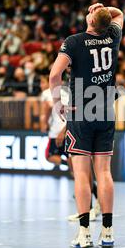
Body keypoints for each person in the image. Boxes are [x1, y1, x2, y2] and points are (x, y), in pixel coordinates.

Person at [49, 3, 123, 248]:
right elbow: (118, 14)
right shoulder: (112, 36)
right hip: (105, 111)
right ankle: (108, 231)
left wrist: (58, 102)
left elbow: (54, 75)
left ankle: (84, 233)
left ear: (91, 21)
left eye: (91, 13)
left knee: (81, 173)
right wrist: (103, 9)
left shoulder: (74, 41)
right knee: (104, 172)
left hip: (81, 112)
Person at [40, 76, 101, 222]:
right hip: (72, 130)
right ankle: (92, 206)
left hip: (66, 131)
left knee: (81, 172)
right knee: (80, 171)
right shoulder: (68, 91)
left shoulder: (51, 93)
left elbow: (49, 112)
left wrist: (61, 130)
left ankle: (91, 208)